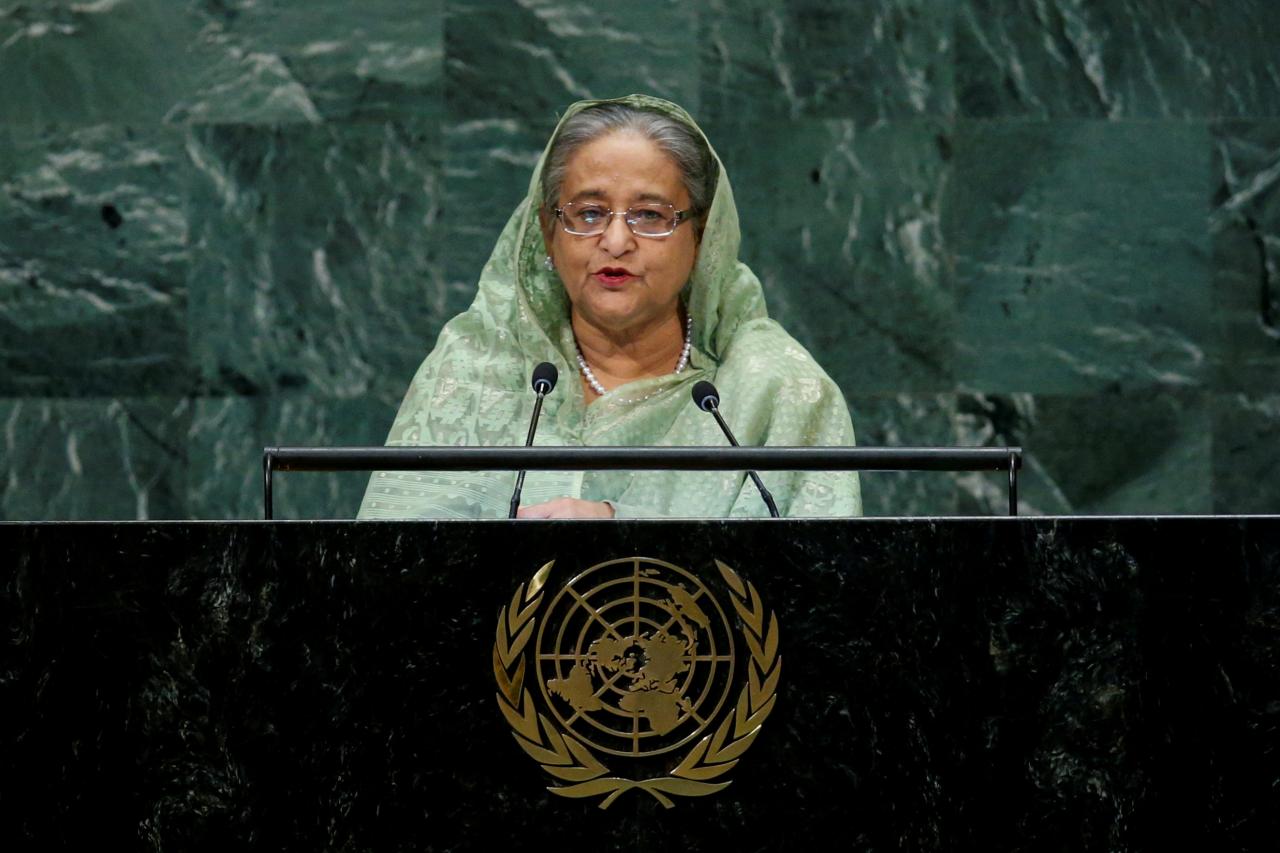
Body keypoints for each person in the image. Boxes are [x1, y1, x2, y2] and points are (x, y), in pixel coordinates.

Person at [358, 94, 861, 519]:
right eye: (590, 213)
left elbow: (822, 595)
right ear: (548, 234)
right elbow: (388, 581)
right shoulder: (472, 372)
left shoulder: (775, 391)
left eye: (649, 214)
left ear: (700, 237)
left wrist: (620, 529)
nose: (616, 240)